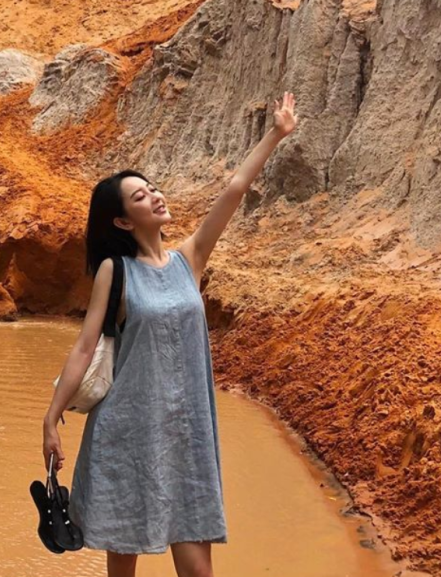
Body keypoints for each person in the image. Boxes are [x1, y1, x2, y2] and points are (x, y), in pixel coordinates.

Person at [42, 92, 298, 577]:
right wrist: (51, 419)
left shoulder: (190, 260)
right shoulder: (115, 272)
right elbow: (84, 347)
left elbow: (235, 189)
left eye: (153, 188)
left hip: (188, 434)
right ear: (122, 220)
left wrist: (276, 133)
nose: (155, 196)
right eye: (140, 197)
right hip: (129, 434)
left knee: (199, 572)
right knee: (124, 569)